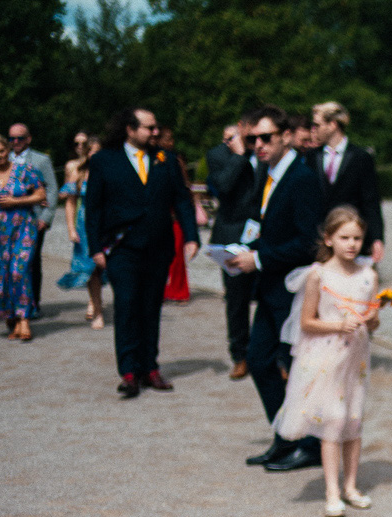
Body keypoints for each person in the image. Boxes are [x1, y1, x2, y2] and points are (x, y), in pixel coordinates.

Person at [230, 105, 325, 470]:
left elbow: (307, 242)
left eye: (265, 137)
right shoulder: (266, 174)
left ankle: (310, 444)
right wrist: (242, 252)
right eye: (251, 139)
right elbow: (262, 226)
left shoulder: (301, 178)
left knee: (298, 369)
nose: (258, 145)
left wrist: (259, 259)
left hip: (293, 290)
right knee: (258, 360)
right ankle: (286, 436)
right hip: (270, 288)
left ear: (286, 136)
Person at [273, 207, 381, 517]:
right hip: (324, 355)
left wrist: (372, 319)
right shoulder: (318, 275)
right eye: (344, 237)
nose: (351, 244)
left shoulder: (368, 276)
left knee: (353, 418)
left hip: (355, 357)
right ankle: (332, 490)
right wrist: (337, 325)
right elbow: (306, 321)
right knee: (333, 418)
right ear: (329, 238)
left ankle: (351, 486)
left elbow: (371, 323)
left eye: (357, 238)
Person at [86, 108, 199, 398]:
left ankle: (149, 367)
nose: (155, 133)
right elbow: (94, 207)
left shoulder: (167, 160)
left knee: (150, 307)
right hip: (122, 247)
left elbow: (182, 200)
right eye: (149, 128)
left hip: (159, 246)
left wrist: (191, 237)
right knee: (126, 305)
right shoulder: (103, 161)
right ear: (130, 129)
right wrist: (95, 247)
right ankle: (128, 371)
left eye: (156, 127)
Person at [0, 134, 46, 340]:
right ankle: (11, 320)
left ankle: (24, 320)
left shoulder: (25, 170)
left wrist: (16, 200)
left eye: (1, 151)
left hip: (24, 226)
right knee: (1, 275)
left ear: (8, 150)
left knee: (18, 271)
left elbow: (41, 195)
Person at [206, 118, 260, 379]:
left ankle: (268, 354)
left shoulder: (263, 150)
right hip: (232, 233)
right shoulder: (219, 155)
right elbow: (224, 188)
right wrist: (238, 156)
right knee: (236, 299)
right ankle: (240, 355)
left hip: (262, 232)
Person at [308, 102, 384, 262]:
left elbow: (371, 201)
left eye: (317, 125)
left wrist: (377, 238)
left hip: (351, 239)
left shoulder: (361, 157)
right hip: (318, 242)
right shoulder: (311, 157)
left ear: (332, 125)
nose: (313, 130)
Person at [7, 123, 57, 314]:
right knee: (10, 261)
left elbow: (51, 188)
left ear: (28, 139)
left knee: (32, 262)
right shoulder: (4, 158)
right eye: (12, 138)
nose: (16, 142)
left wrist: (46, 217)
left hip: (33, 218)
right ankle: (13, 303)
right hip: (8, 220)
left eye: (20, 138)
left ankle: (33, 303)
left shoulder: (41, 160)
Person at [58, 135, 107, 328]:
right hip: (86, 223)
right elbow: (70, 203)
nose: (94, 154)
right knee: (91, 267)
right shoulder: (78, 172)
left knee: (111, 266)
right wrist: (71, 229)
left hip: (109, 223)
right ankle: (97, 309)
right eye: (91, 150)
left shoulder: (113, 171)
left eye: (98, 150)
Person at [157, 126, 192, 304]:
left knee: (177, 257)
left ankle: (179, 290)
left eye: (172, 139)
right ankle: (160, 290)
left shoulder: (175, 160)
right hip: (159, 216)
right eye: (167, 139)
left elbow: (184, 188)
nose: (171, 143)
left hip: (174, 216)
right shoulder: (152, 159)